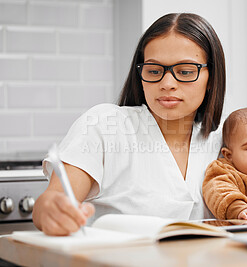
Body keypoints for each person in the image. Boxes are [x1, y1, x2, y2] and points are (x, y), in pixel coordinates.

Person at [32, 13, 226, 236]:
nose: (167, 83)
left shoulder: (225, 140)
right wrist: (50, 210)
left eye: (185, 72)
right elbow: (52, 200)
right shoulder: (104, 124)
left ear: (211, 78)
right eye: (154, 71)